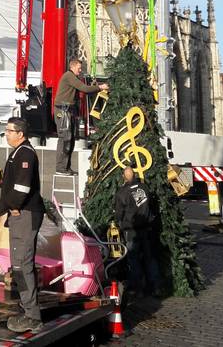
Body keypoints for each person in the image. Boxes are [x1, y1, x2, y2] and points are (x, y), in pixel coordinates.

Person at [0, 117, 45, 333]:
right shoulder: (18, 153)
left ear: (20, 134)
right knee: (19, 265)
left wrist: (14, 205)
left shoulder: (25, 154)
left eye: (9, 130)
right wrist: (2, 183)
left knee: (22, 264)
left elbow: (22, 188)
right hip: (20, 213)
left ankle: (33, 316)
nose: (6, 134)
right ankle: (26, 308)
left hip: (25, 214)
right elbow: (16, 185)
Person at [54, 58, 109, 175]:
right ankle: (60, 168)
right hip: (62, 111)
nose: (80, 70)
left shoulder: (72, 77)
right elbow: (84, 89)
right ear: (73, 67)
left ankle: (66, 167)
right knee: (65, 138)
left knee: (71, 139)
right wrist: (100, 87)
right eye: (79, 68)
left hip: (68, 111)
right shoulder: (69, 76)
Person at [114, 167, 160, 297]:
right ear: (134, 175)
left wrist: (119, 224)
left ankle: (137, 289)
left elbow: (118, 214)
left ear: (124, 177)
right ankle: (155, 287)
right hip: (147, 228)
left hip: (131, 231)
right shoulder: (144, 188)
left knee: (133, 259)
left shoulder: (122, 193)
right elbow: (151, 205)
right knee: (150, 257)